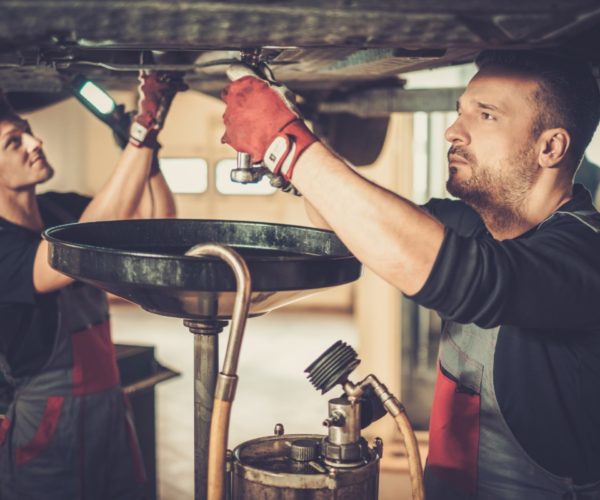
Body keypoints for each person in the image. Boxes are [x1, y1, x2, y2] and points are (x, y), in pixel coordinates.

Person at [220, 50, 600, 499]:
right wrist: (297, 137)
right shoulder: (478, 223)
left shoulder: (582, 254)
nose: (453, 131)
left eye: (486, 115)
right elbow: (352, 224)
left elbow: (462, 277)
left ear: (550, 147)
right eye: (461, 112)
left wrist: (288, 146)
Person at [0, 71, 183, 499]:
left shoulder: (62, 209)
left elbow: (158, 230)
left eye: (28, 132)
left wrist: (147, 155)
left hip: (109, 405)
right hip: (46, 422)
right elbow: (71, 255)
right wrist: (139, 135)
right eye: (14, 141)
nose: (35, 143)